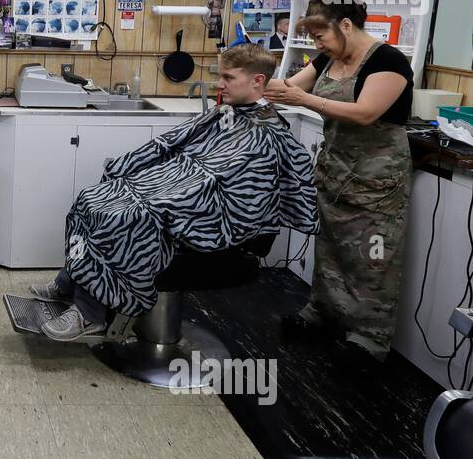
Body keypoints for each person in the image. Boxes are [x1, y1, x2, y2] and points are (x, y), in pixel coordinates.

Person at [31, 45, 317, 341]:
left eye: (229, 78)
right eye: (221, 76)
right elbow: (179, 153)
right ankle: (70, 280)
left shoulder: (268, 134)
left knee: (125, 217)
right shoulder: (231, 114)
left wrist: (162, 200)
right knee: (92, 200)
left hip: (214, 224)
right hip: (185, 201)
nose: (220, 84)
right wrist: (136, 174)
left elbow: (231, 192)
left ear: (258, 81)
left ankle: (90, 314)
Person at [263, 0, 414, 372]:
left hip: (375, 181)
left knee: (372, 258)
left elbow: (365, 113)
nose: (317, 45)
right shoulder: (330, 56)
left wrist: (303, 99)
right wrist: (258, 86)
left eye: (320, 36)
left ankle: (369, 339)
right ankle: (323, 314)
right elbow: (290, 88)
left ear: (346, 25)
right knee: (330, 250)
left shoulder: (388, 61)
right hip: (335, 171)